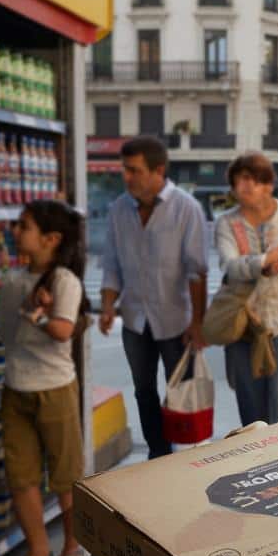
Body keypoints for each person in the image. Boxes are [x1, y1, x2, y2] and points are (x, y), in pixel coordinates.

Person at [0, 200, 87, 556]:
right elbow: (4, 334)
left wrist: (39, 317)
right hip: (16, 386)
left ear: (50, 239)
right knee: (22, 476)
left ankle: (72, 550)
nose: (15, 231)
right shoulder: (15, 280)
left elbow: (64, 331)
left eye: (24, 226)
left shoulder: (63, 280)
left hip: (54, 388)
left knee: (65, 478)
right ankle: (37, 554)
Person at [99, 136, 208, 458]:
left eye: (134, 170)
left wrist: (198, 323)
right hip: (135, 320)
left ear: (158, 170)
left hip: (176, 321)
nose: (126, 177)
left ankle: (186, 457)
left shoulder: (186, 208)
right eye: (124, 170)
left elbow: (197, 271)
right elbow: (111, 264)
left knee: (179, 394)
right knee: (143, 391)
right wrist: (107, 306)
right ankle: (157, 455)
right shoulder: (119, 209)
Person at [214, 152, 278, 426]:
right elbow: (230, 266)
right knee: (252, 412)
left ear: (268, 184)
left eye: (253, 179)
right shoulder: (226, 223)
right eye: (239, 180)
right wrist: (263, 261)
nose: (246, 186)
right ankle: (259, 465)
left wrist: (253, 264)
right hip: (245, 328)